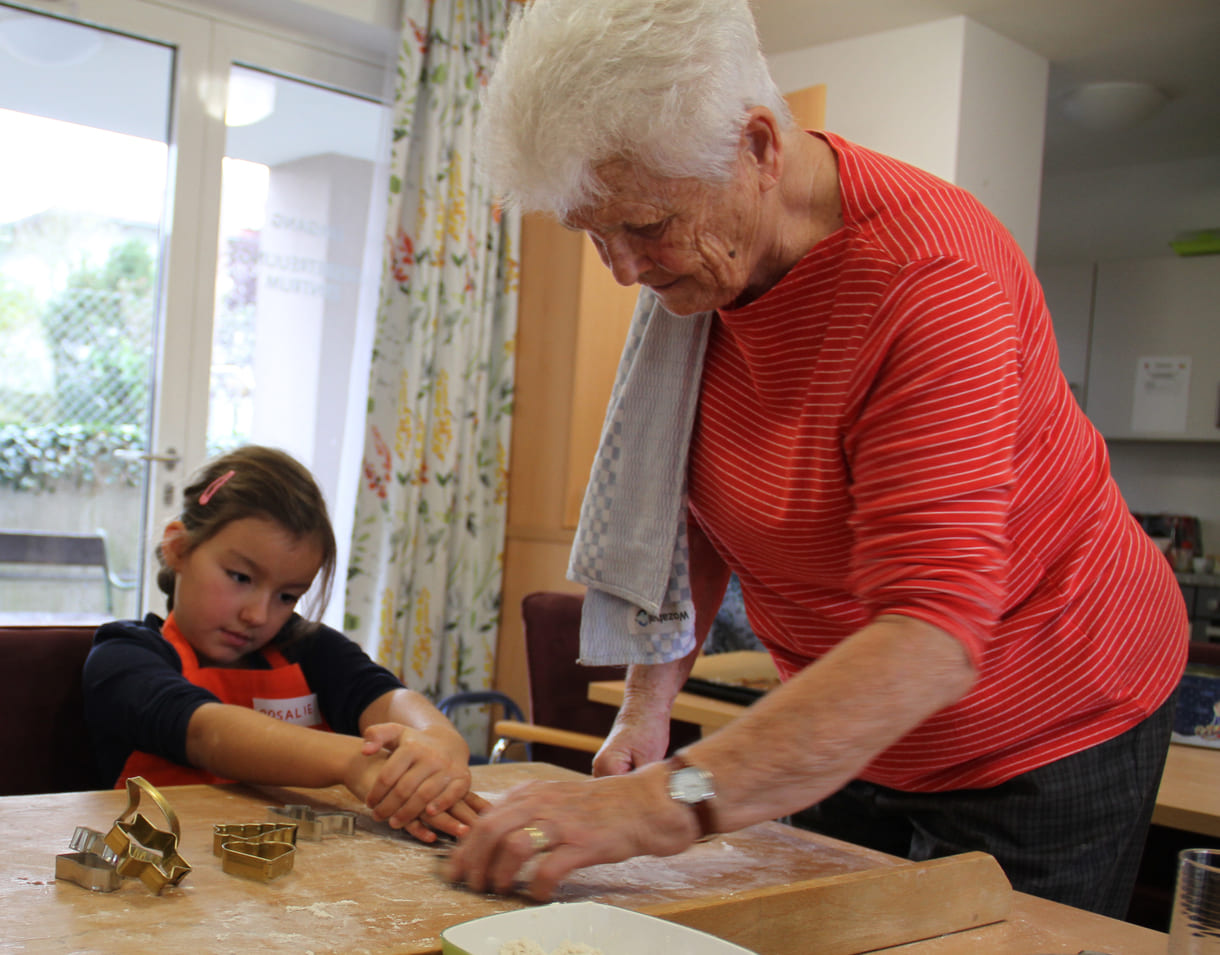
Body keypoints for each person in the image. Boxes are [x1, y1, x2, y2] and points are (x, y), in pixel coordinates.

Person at [444, 0, 1190, 916]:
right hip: (844, 726)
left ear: (759, 147)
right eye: (590, 233)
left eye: (643, 226)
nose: (623, 269)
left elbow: (927, 637)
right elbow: (686, 499)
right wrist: (648, 703)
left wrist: (657, 803)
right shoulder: (704, 262)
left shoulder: (934, 280)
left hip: (1051, 719)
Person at [84, 445, 488, 843]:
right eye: (241, 577)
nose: (258, 615)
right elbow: (207, 733)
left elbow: (383, 695)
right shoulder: (123, 656)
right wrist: (354, 764)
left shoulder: (308, 649)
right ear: (178, 548)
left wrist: (438, 742)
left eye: (287, 596)